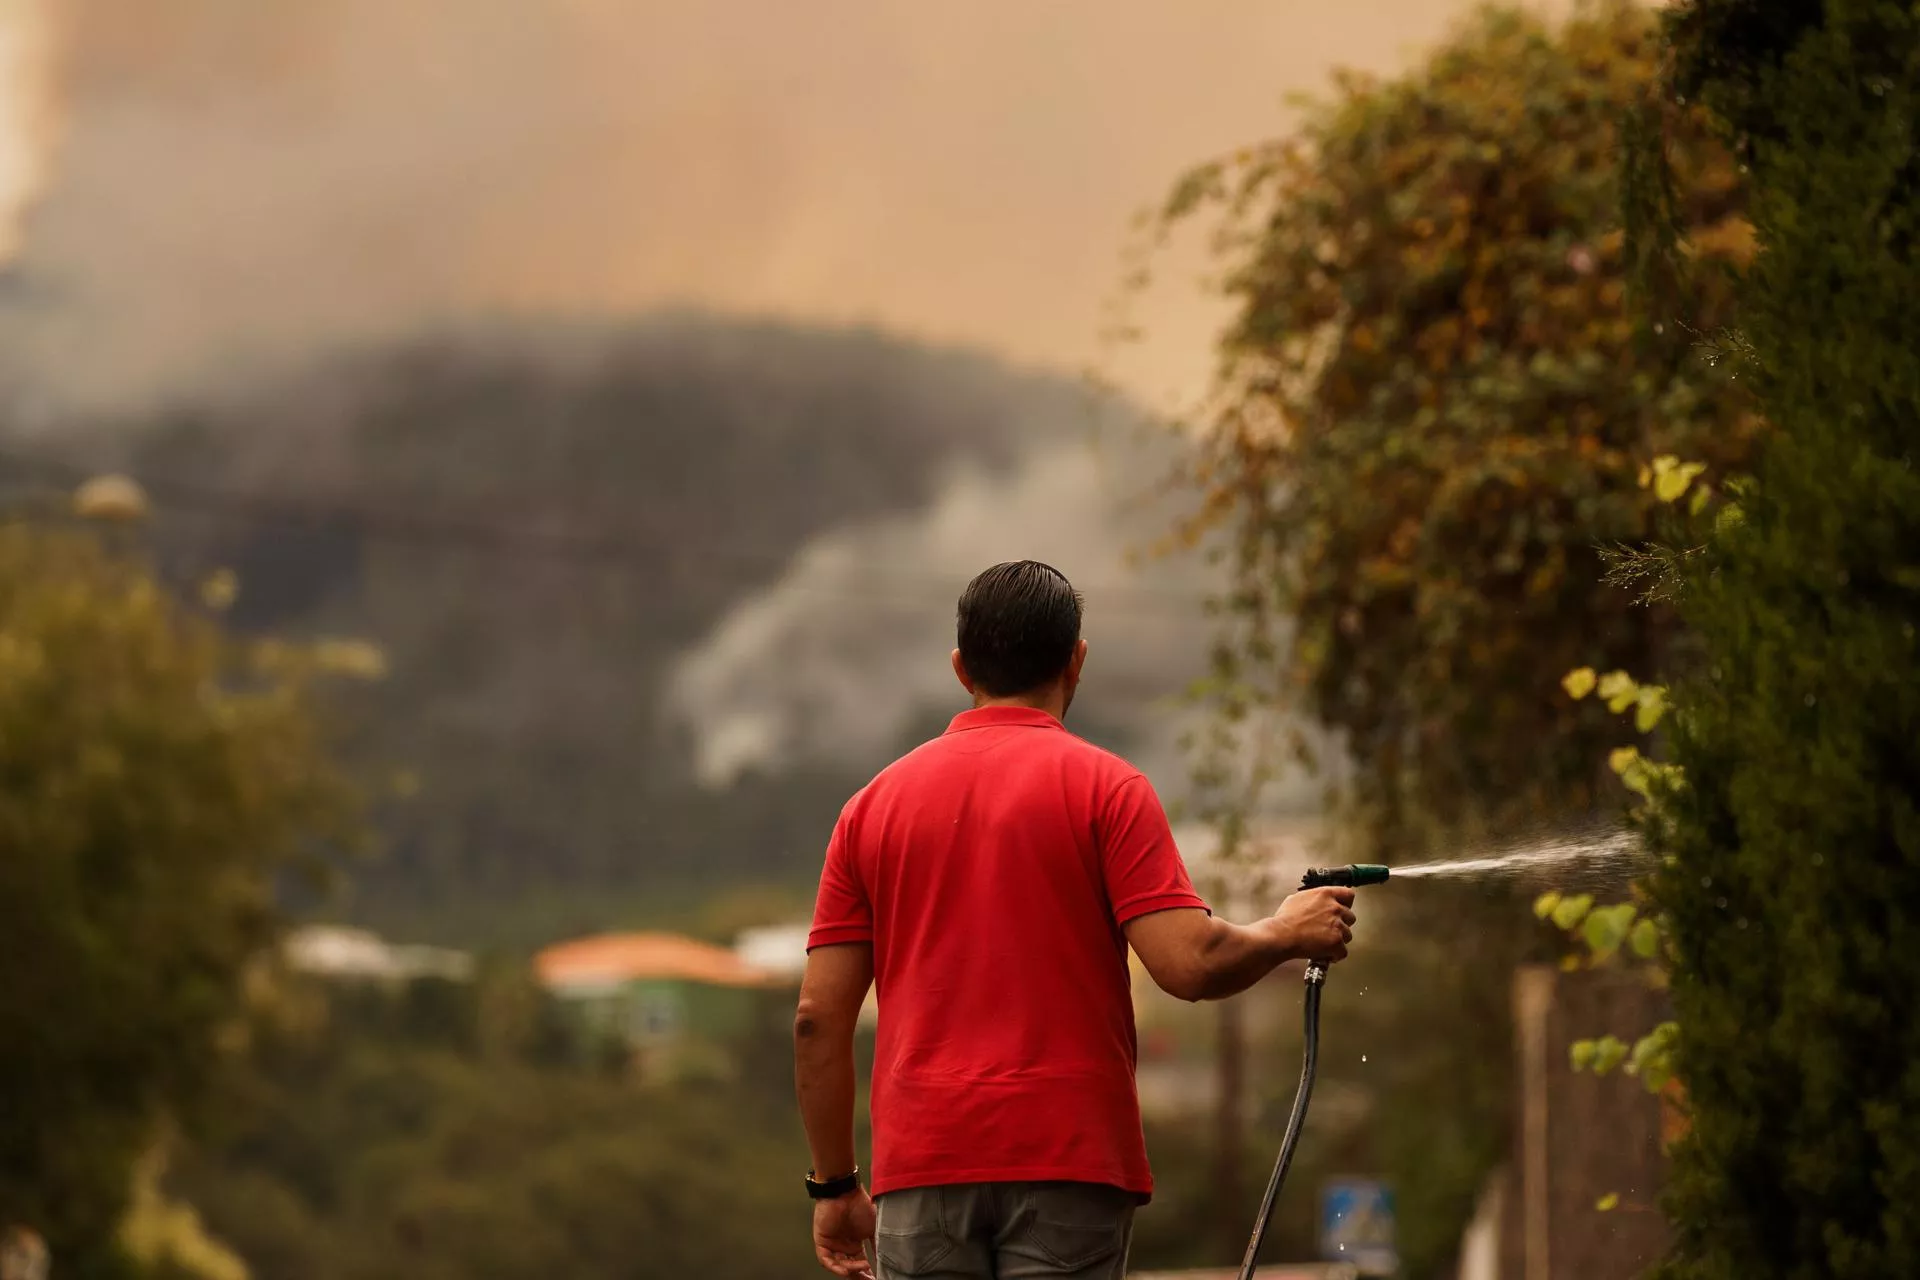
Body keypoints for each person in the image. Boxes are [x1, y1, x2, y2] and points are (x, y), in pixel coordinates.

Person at [794, 561, 1357, 1280]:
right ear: (1076, 662)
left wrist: (835, 1184)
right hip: (1070, 1163)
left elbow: (817, 1017)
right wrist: (1286, 930)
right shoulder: (1109, 790)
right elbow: (1189, 963)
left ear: (961, 668)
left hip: (924, 1166)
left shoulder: (870, 810)